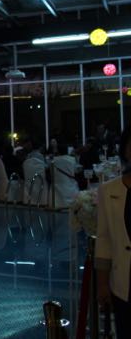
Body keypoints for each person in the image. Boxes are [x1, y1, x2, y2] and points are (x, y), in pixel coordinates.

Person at [95, 126, 131, 337]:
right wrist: (102, 284)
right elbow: (104, 239)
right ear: (125, 150)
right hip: (123, 283)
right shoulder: (109, 190)